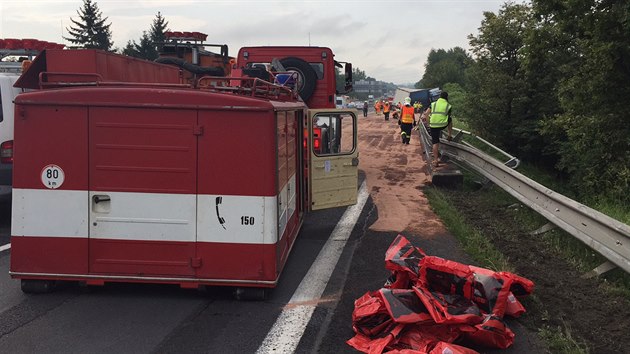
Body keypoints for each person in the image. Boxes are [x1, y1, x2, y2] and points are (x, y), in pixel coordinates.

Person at [422, 91, 452, 167]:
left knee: (435, 143)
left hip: (433, 125)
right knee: (450, 119)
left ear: (439, 97)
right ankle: (449, 135)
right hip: (442, 125)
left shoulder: (433, 104)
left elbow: (426, 115)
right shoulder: (448, 105)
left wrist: (429, 124)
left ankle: (435, 161)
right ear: (446, 97)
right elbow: (447, 116)